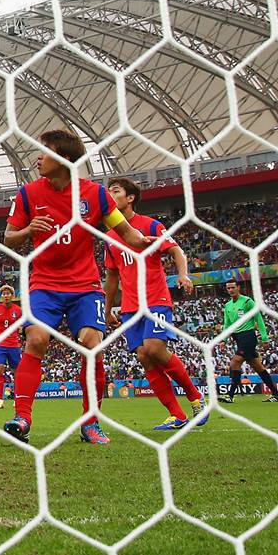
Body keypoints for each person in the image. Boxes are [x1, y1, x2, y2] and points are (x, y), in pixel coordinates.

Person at [2, 129, 151, 445]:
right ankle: (22, 418)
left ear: (65, 158)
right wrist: (28, 229)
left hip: (85, 286)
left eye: (44, 152)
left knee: (90, 343)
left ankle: (91, 422)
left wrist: (146, 242)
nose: (38, 158)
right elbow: (9, 238)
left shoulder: (95, 194)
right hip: (44, 284)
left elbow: (125, 231)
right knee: (37, 339)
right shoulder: (28, 194)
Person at [102, 178, 207, 430]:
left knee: (155, 349)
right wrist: (107, 310)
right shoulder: (108, 236)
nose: (110, 194)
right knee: (144, 357)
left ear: (130, 198)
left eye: (115, 191)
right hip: (129, 307)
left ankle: (196, 397)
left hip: (156, 299)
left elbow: (176, 251)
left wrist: (183, 274)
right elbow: (112, 276)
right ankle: (177, 415)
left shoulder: (150, 225)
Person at [219, 280, 278, 403]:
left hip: (248, 337)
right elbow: (227, 324)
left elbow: (258, 318)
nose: (230, 290)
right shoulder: (227, 306)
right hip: (238, 338)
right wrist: (223, 340)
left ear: (238, 288)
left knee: (235, 362)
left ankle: (230, 395)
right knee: (257, 366)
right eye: (228, 288)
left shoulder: (247, 302)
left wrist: (265, 338)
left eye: (233, 287)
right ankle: (276, 395)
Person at [0, 284, 23, 409]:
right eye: (4, 294)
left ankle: (17, 399)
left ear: (12, 296)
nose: (6, 296)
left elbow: (23, 326)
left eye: (8, 294)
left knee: (17, 372)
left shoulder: (18, 310)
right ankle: (0, 400)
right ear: (1, 296)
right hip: (0, 344)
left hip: (14, 345)